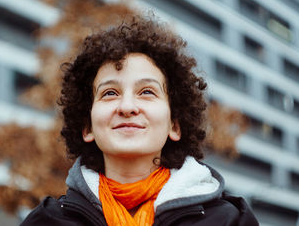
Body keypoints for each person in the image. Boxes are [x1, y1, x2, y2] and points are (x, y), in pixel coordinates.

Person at [20, 15, 259, 226]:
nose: (127, 107)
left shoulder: (229, 221)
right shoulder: (46, 221)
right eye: (110, 93)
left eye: (147, 92)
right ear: (87, 127)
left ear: (174, 125)